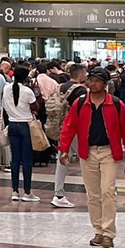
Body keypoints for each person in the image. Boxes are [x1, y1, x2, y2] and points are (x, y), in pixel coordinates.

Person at [57, 68, 125, 248]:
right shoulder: (80, 103)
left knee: (108, 191)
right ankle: (98, 230)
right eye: (90, 80)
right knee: (92, 194)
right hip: (88, 153)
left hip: (109, 152)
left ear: (105, 84)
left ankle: (108, 234)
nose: (92, 84)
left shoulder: (116, 104)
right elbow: (69, 126)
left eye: (97, 81)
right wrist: (64, 149)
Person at [46, 64, 87, 208]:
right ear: (81, 74)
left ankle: (58, 194)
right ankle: (97, 190)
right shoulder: (80, 90)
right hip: (75, 129)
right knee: (87, 158)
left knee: (62, 159)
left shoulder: (60, 87)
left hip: (61, 128)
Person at [2, 66, 40, 202]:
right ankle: (27, 192)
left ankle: (15, 191)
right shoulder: (27, 91)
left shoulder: (6, 88)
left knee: (15, 159)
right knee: (27, 159)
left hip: (12, 125)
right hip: (25, 126)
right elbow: (36, 107)